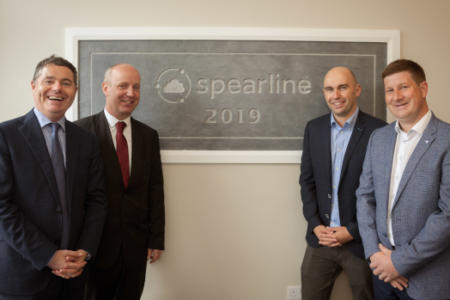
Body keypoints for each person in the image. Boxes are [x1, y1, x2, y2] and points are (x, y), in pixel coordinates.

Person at [0, 55, 107, 300]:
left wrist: (84, 251)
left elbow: (97, 201)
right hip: (23, 276)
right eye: (49, 80)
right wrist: (48, 256)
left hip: (73, 276)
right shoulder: (5, 136)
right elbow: (2, 207)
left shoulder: (87, 141)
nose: (57, 88)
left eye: (66, 83)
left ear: (75, 91)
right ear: (33, 86)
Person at [357, 59, 450, 300]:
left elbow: (447, 215)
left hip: (428, 280)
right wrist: (375, 256)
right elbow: (364, 197)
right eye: (390, 90)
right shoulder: (378, 138)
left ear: (423, 88)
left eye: (404, 87)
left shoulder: (447, 140)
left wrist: (398, 263)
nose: (396, 96)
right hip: (382, 275)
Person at [76, 63, 165, 300]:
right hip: (94, 247)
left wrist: (156, 238)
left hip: (135, 247)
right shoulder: (80, 132)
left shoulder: (149, 136)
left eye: (136, 87)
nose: (131, 93)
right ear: (106, 88)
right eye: (123, 85)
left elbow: (155, 189)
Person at [299, 66, 386, 300]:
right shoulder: (313, 129)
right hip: (322, 237)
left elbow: (384, 192)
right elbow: (307, 181)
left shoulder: (379, 131)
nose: (335, 95)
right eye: (329, 89)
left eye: (342, 87)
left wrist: (352, 230)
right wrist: (315, 224)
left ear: (357, 90)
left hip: (360, 240)